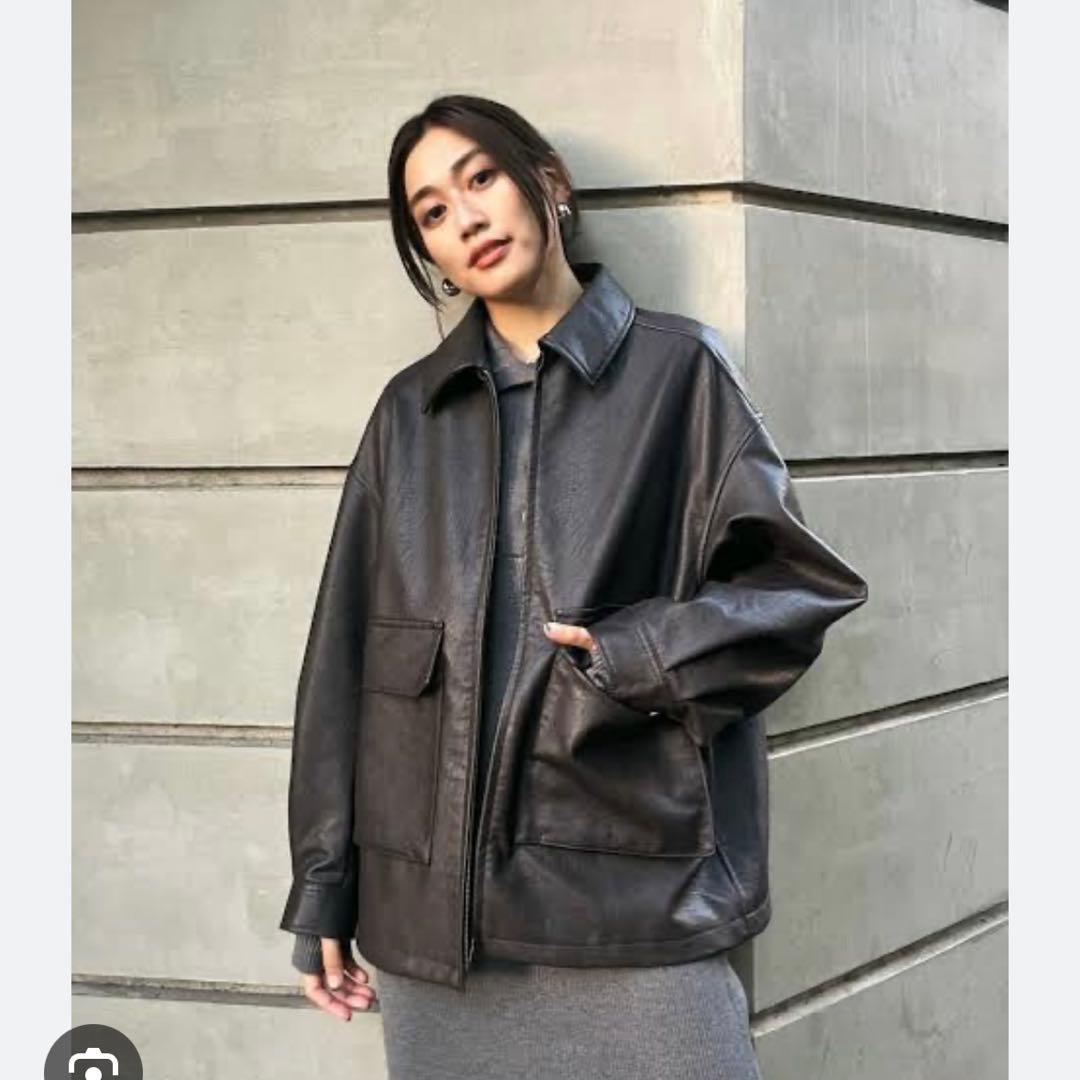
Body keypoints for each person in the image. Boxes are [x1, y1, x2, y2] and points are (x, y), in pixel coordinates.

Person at [280, 94, 869, 1079]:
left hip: (631, 886)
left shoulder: (679, 373)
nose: (466, 217)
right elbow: (343, 661)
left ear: (547, 183)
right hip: (433, 917)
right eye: (432, 211)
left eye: (481, 178)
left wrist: (638, 655)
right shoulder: (409, 414)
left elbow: (796, 587)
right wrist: (324, 883)